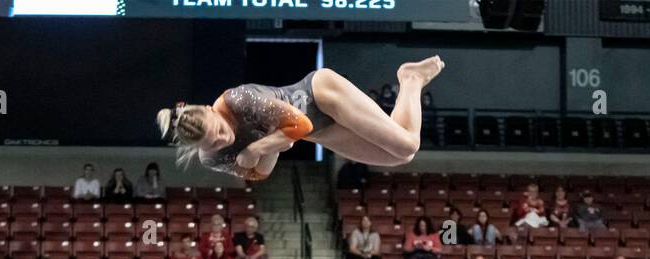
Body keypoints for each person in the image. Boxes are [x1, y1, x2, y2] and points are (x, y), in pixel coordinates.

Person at [160, 58, 444, 182]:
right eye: (215, 141)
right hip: (320, 131)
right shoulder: (211, 158)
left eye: (219, 130)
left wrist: (258, 148)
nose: (224, 139)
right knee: (400, 157)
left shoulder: (239, 99)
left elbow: (300, 126)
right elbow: (262, 174)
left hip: (320, 95)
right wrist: (268, 147)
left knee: (407, 144)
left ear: (212, 109)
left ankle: (410, 78)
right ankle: (410, 79)